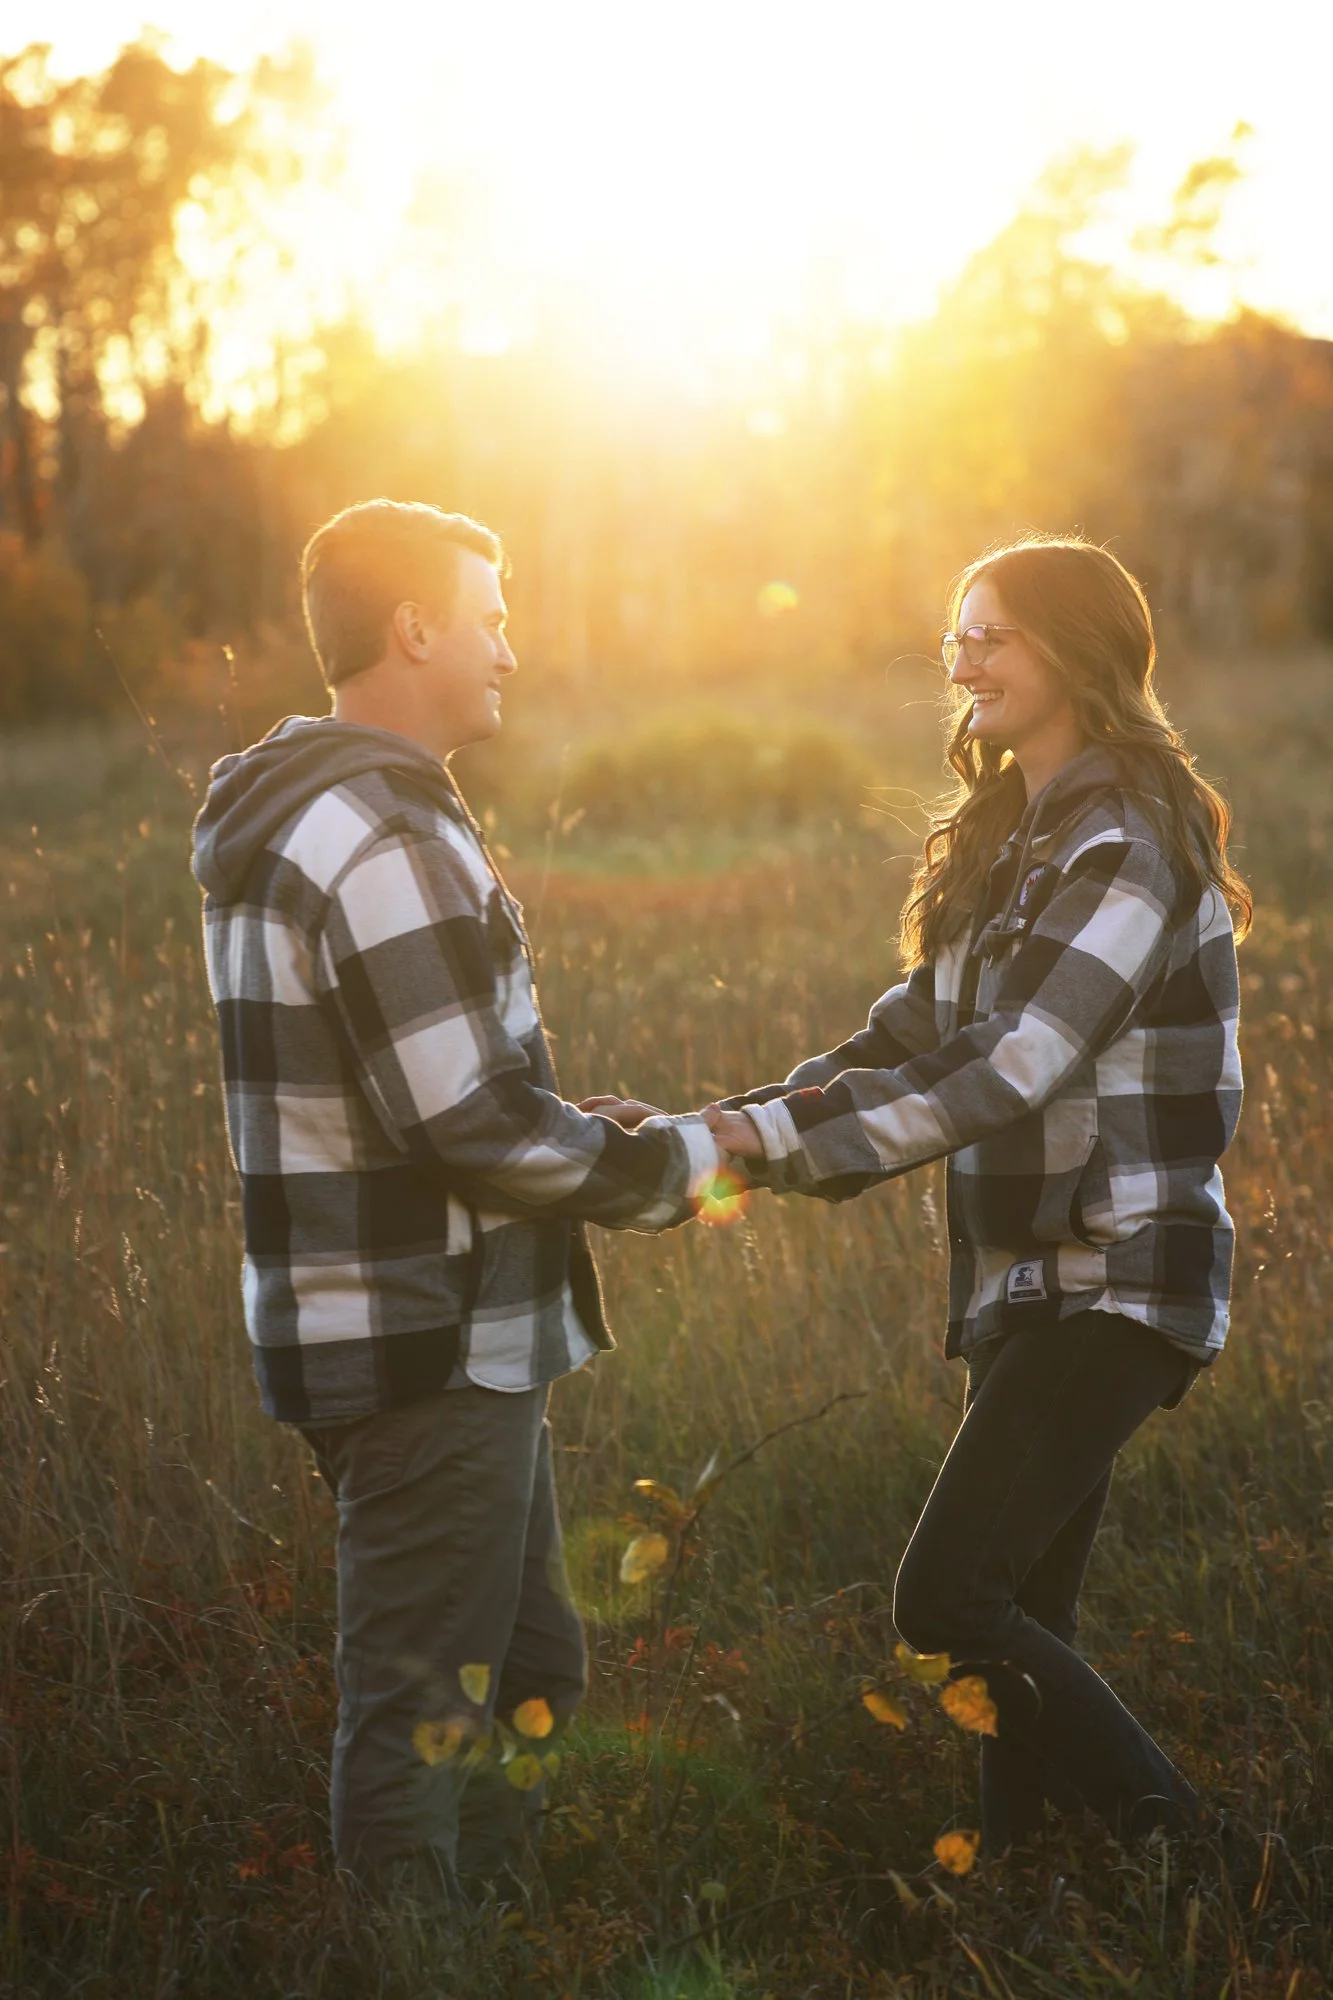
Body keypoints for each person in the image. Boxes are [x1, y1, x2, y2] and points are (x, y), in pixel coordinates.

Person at [599, 535, 1248, 1851]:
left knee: (947, 1603)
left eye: (993, 632)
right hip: (1023, 1276)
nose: (962, 656)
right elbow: (903, 1040)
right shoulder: (1009, 839)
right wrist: (708, 1129)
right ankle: (1018, 1897)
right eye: (957, 632)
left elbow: (1009, 1065)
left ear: (1074, 652)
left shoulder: (1128, 836)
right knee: (1018, 1624)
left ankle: (1216, 1868)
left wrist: (759, 1147)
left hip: (1116, 1274)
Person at [190, 500, 723, 1900]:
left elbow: (435, 1089)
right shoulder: (376, 828)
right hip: (425, 1336)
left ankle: (506, 1933)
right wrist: (657, 1169)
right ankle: (420, 1957)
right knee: (421, 1715)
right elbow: (464, 1121)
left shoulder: (314, 808)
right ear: (412, 627)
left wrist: (560, 1125)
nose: (508, 649)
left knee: (537, 1667)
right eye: (488, 617)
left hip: (432, 1328)